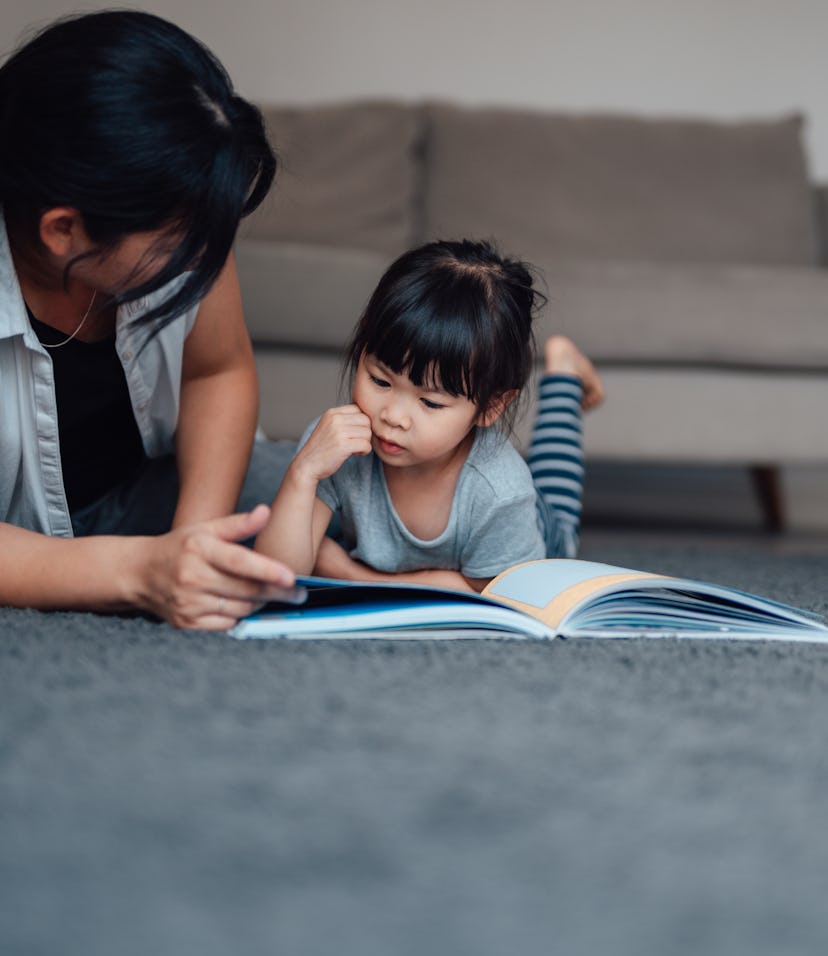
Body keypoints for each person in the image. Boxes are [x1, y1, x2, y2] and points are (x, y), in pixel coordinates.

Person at [0, 10, 302, 629]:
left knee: (356, 494)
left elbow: (217, 372)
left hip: (146, 491)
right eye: (178, 243)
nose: (207, 259)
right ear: (64, 229)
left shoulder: (185, 220)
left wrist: (198, 543)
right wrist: (143, 572)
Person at [255, 239, 605, 592]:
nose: (393, 417)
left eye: (430, 403)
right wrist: (303, 473)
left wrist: (353, 576)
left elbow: (498, 593)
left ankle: (564, 374)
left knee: (559, 517)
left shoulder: (502, 492)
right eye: (380, 380)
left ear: (490, 407)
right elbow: (276, 578)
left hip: (528, 535)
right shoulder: (336, 447)